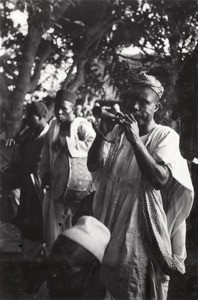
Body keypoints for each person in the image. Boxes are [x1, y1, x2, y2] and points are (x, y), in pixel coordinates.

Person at [87, 71, 194, 300]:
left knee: (132, 284)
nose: (134, 106)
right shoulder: (117, 131)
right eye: (131, 100)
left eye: (144, 102)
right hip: (109, 220)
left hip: (140, 227)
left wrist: (135, 139)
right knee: (105, 284)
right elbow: (93, 166)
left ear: (157, 107)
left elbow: (160, 179)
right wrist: (101, 135)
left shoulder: (166, 136)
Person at [39, 90, 96, 255]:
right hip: (56, 187)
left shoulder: (81, 125)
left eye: (64, 108)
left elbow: (94, 145)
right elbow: (45, 155)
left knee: (73, 230)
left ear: (74, 108)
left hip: (77, 192)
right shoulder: (53, 127)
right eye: (57, 108)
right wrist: (45, 174)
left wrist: (69, 143)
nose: (59, 112)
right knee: (54, 231)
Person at [37, 215, 111, 299]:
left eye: (63, 267)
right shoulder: (46, 291)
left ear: (90, 272)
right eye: (51, 264)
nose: (51, 274)